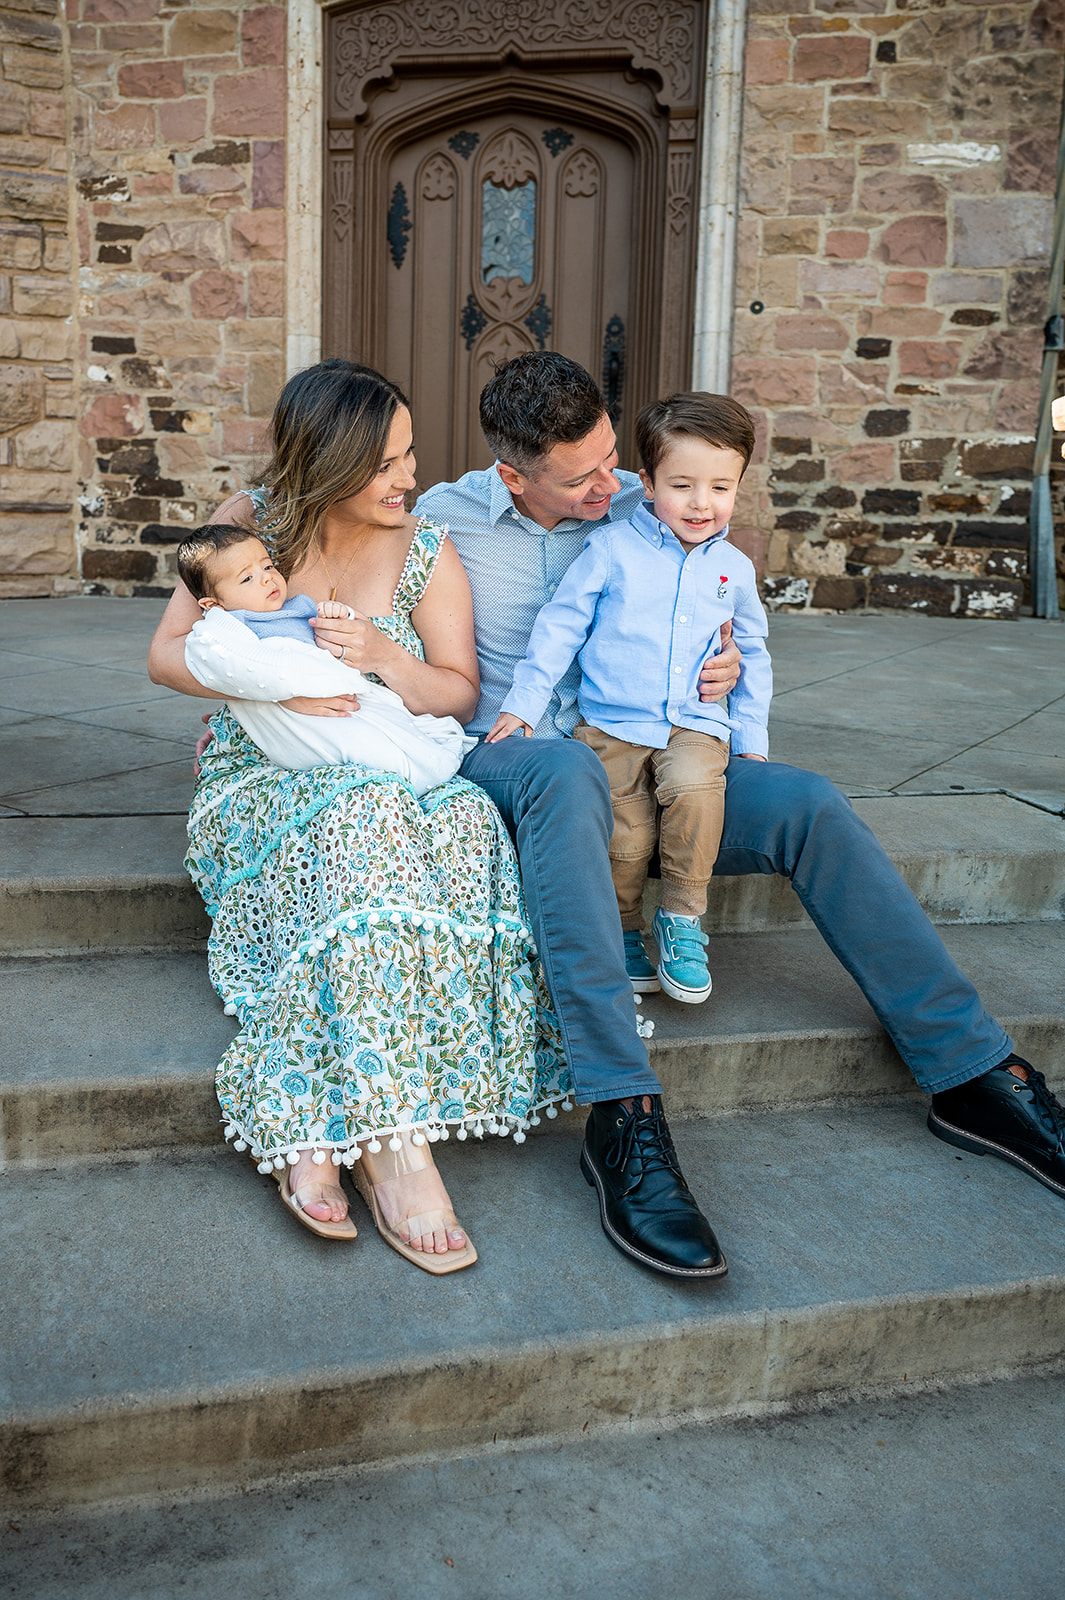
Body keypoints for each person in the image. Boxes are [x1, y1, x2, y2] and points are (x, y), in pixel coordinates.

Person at [414, 350, 1065, 1271]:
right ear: (515, 476)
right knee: (564, 771)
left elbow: (721, 615)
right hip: (525, 768)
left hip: (660, 756)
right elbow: (297, 527)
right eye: (582, 477)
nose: (613, 485)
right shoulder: (440, 518)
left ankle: (973, 1073)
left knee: (806, 802)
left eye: (613, 459)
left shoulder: (655, 502)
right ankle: (621, 1112)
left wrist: (718, 670)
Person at [148, 361, 571, 1275]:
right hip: (266, 774)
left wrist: (381, 655)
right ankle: (396, 1152)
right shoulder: (247, 523)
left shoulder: (426, 549)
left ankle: (314, 1119)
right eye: (384, 463)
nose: (408, 477)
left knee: (435, 823)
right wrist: (276, 687)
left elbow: (457, 694)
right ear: (326, 462)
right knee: (357, 818)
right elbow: (167, 654)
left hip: (400, 763)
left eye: (408, 455)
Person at [488, 392, 772, 1006]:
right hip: (612, 724)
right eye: (682, 485)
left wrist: (750, 736)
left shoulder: (734, 569)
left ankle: (683, 917)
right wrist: (524, 705)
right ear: (646, 483)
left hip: (694, 721)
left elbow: (752, 651)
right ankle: (622, 928)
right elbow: (560, 627)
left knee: (697, 791)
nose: (701, 503)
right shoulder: (612, 548)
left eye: (721, 488)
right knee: (624, 833)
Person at [176, 523, 475, 794]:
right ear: (213, 605)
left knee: (389, 725)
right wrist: (291, 688)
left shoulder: (298, 608)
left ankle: (418, 762)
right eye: (248, 578)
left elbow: (331, 638)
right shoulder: (228, 627)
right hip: (298, 721)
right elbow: (230, 663)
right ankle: (409, 773)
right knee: (363, 746)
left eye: (267, 566)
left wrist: (340, 616)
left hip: (343, 698)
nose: (267, 579)